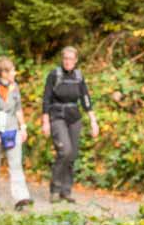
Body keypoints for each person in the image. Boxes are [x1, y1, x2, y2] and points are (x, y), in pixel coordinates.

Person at [41, 46, 99, 203]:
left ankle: (66, 191)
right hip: (57, 116)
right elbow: (46, 98)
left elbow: (85, 98)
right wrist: (45, 121)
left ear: (76, 60)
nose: (68, 62)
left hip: (74, 117)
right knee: (64, 151)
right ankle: (55, 189)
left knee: (72, 154)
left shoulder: (79, 76)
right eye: (65, 58)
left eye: (71, 59)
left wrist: (93, 121)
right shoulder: (54, 74)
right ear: (62, 59)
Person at [0, 56, 33, 211]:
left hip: (12, 130)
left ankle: (21, 197)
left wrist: (23, 127)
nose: (15, 73)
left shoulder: (14, 87)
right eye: (12, 71)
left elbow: (18, 109)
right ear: (3, 73)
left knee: (16, 164)